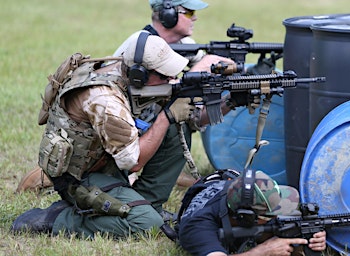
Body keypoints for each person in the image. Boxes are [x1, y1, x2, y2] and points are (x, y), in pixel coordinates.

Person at [10, 33, 240, 239]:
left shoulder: (125, 73)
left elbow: (194, 120)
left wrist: (230, 101)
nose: (171, 81)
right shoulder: (104, 99)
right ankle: (57, 218)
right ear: (140, 75)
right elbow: (133, 161)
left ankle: (148, 202)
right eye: (164, 76)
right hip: (80, 177)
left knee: (174, 127)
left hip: (104, 164)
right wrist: (166, 116)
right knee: (147, 223)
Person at [177, 169, 327, 255]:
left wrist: (308, 235)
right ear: (246, 218)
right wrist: (263, 250)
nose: (276, 217)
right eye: (270, 216)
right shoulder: (198, 227)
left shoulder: (240, 189)